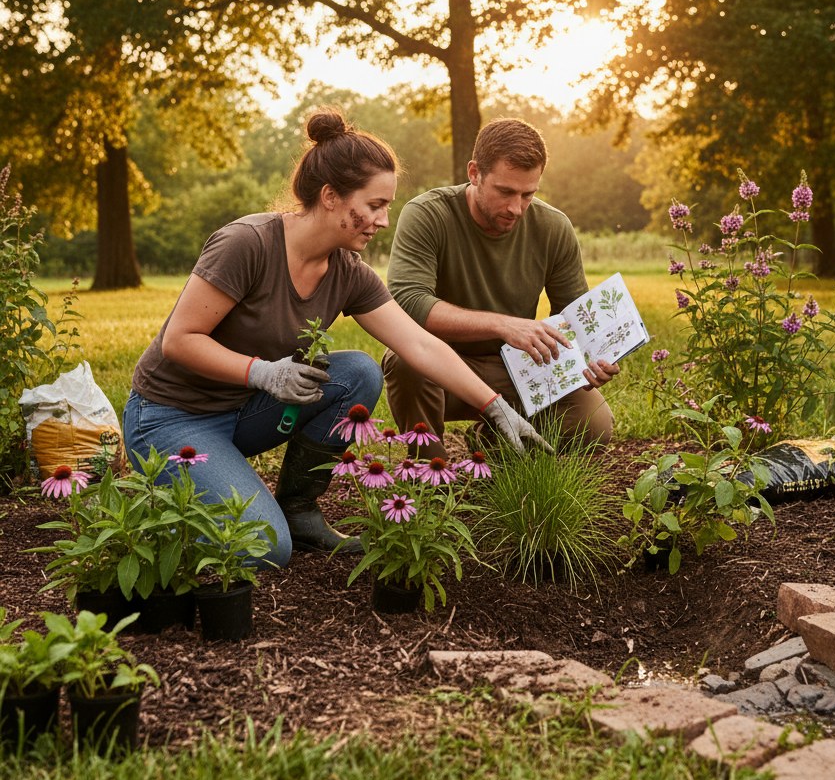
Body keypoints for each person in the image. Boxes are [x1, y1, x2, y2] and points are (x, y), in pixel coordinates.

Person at [122, 107, 549, 568]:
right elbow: (180, 340)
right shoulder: (247, 243)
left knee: (358, 373)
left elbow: (420, 343)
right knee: (263, 550)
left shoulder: (348, 272)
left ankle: (298, 508)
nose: (383, 220)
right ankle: (167, 506)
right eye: (374, 205)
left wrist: (494, 406)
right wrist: (263, 372)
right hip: (171, 416)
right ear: (330, 196)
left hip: (242, 412)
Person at [383, 117, 618, 459]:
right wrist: (503, 324)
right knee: (405, 360)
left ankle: (493, 444)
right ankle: (429, 471)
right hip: (443, 365)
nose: (516, 208)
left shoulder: (553, 227)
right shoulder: (427, 214)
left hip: (520, 368)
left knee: (593, 424)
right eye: (505, 191)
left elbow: (573, 317)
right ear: (474, 173)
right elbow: (408, 302)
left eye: (528, 194)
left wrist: (589, 359)